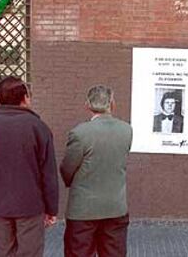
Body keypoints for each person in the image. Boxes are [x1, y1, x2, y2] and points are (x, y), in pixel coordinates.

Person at [0, 76, 59, 256]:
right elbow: (48, 174)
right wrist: (51, 209)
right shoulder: (38, 127)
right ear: (24, 98)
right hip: (31, 206)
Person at [60, 85, 132, 257]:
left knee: (79, 252)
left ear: (87, 105)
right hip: (115, 206)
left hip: (83, 209)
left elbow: (67, 169)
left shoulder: (79, 133)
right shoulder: (126, 130)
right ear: (112, 104)